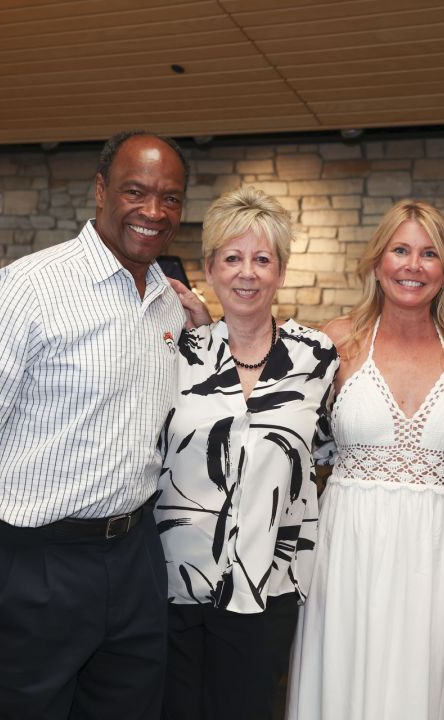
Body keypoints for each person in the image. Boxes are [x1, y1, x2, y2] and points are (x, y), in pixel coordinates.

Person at [0, 130, 203, 719]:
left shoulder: (169, 304)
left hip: (135, 561)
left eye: (170, 198)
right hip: (31, 567)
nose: (153, 211)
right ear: (99, 191)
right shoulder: (26, 292)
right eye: (135, 191)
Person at [286, 200, 444, 720]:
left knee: (429, 684)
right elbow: (271, 410)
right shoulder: (337, 341)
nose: (413, 266)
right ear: (378, 261)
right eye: (400, 250)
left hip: (438, 546)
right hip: (351, 543)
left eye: (429, 253)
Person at [154, 186, 338, 720]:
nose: (247, 273)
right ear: (209, 269)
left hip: (268, 588)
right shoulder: (177, 353)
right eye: (232, 259)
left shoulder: (317, 356)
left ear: (281, 271)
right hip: (174, 585)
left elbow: (328, 449)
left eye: (262, 259)